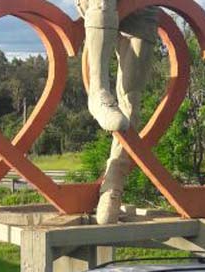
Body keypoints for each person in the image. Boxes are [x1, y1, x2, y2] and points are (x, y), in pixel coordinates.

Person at [75, 0, 158, 224]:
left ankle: (113, 185)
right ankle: (98, 91)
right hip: (99, 4)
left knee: (131, 100)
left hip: (141, 8)